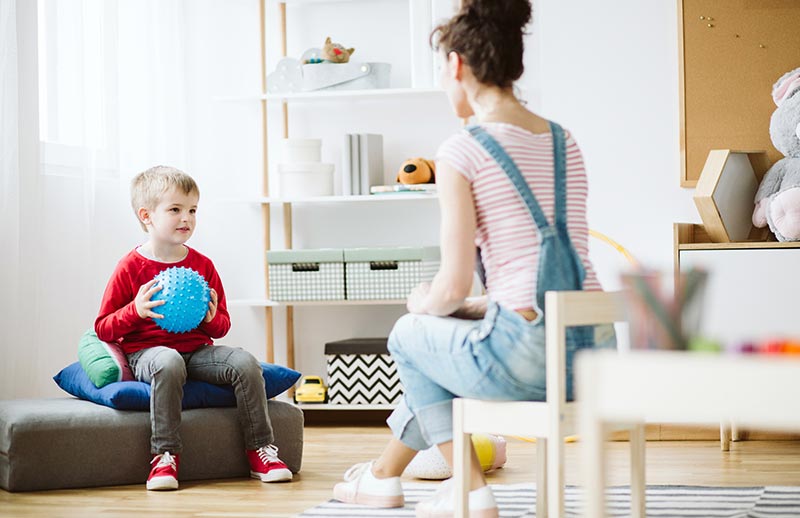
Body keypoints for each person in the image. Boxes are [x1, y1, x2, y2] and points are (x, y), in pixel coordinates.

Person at [332, 1, 615, 516]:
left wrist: (424, 301)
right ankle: (382, 476)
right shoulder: (563, 140)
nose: (444, 83)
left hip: (528, 357)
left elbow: (453, 285)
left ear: (457, 64)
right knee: (434, 357)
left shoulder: (461, 151)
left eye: (443, 70)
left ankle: (468, 488)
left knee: (408, 336)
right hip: (595, 352)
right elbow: (536, 274)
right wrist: (468, 308)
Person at [95, 165, 293, 491]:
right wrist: (136, 310)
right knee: (168, 362)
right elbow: (103, 327)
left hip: (198, 351)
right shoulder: (131, 266)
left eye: (192, 210)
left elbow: (223, 325)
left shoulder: (202, 266)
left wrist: (209, 319)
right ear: (147, 215)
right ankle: (164, 455)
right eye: (175, 209)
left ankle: (261, 450)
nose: (186, 218)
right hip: (148, 352)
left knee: (244, 362)